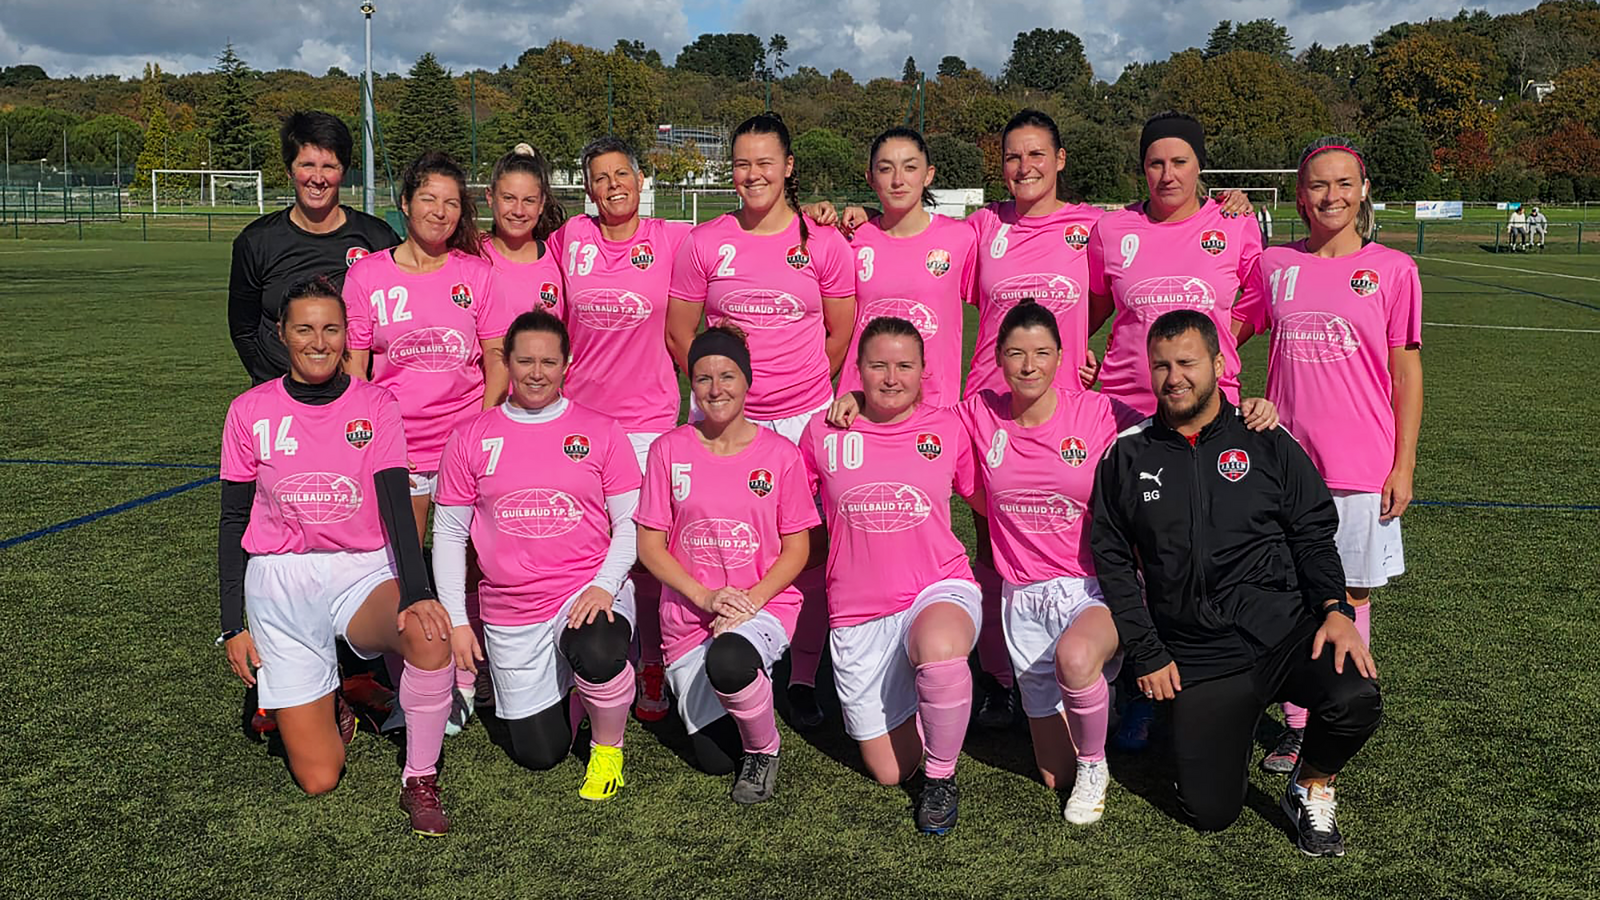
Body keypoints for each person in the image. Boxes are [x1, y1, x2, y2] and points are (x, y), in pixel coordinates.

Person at [1091, 309, 1383, 858]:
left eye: (1187, 363)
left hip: (1282, 632)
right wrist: (1147, 651)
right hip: (1200, 652)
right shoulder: (1128, 454)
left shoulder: (1265, 438)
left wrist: (1335, 609)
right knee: (1211, 812)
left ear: (1219, 364)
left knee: (1356, 694)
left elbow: (1313, 532)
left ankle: (1310, 782)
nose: (1174, 378)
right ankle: (1219, 729)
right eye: (1161, 365)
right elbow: (1112, 560)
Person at [217, 276, 456, 835]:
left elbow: (395, 502)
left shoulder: (377, 404)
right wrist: (232, 624)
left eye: (331, 329)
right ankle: (334, 697)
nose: (318, 341)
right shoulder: (249, 411)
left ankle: (419, 778)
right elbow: (232, 521)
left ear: (348, 335)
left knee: (429, 634)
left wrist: (419, 592)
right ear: (282, 334)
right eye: (304, 329)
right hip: (281, 582)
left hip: (359, 570)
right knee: (320, 777)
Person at [1235, 138, 1421, 776]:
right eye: (1318, 184)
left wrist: (1403, 465)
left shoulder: (1394, 269)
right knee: (1289, 593)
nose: (1331, 196)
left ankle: (1333, 722)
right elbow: (1225, 338)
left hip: (1363, 466)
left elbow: (1406, 372)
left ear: (1363, 190)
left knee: (1350, 595)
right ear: (1299, 195)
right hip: (1285, 466)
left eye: (1344, 183)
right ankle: (1296, 727)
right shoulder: (1274, 264)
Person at [666, 113, 855, 730]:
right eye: (742, 163)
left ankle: (800, 674)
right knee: (713, 537)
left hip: (802, 418)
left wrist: (795, 389)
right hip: (723, 419)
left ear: (788, 167)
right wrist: (724, 398)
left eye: (764, 162)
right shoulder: (704, 241)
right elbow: (680, 334)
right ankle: (714, 649)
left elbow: (839, 332)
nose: (752, 174)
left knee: (811, 547)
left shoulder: (823, 242)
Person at [431, 310, 642, 800]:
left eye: (548, 362)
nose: (537, 373)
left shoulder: (602, 431)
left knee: (597, 648)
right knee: (540, 754)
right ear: (506, 362)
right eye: (525, 361)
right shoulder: (470, 437)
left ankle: (607, 747)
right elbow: (448, 534)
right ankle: (576, 690)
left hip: (583, 591)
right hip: (512, 608)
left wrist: (604, 585)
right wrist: (459, 621)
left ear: (567, 364)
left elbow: (631, 524)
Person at [799, 317, 983, 834]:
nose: (891, 377)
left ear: (924, 371)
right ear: (857, 370)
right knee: (890, 771)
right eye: (878, 365)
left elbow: (988, 499)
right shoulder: (824, 431)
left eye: (904, 365)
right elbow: (789, 513)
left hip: (937, 586)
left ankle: (942, 778)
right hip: (858, 611)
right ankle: (938, 707)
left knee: (940, 649)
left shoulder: (948, 427)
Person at [635, 328, 818, 803]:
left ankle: (763, 749)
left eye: (728, 376)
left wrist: (747, 604)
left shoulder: (780, 455)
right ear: (691, 385)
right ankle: (749, 691)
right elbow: (650, 546)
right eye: (703, 378)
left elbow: (798, 549)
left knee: (730, 659)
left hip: (760, 606)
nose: (716, 389)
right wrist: (705, 597)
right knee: (714, 758)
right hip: (689, 615)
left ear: (747, 380)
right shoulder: (668, 450)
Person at [554, 135, 696, 723]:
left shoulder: (673, 238)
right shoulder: (571, 237)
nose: (612, 186)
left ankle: (653, 659)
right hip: (579, 421)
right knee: (582, 541)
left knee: (646, 546)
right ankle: (591, 653)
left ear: (640, 181)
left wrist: (827, 214)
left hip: (648, 422)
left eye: (622, 175)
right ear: (588, 189)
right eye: (600, 177)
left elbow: (747, 237)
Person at [1086, 111, 1266, 417]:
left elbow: (1261, 297)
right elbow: (1094, 306)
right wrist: (1069, 351)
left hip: (1210, 405)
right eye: (1156, 163)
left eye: (1180, 162)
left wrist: (1218, 342)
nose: (1168, 175)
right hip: (1126, 408)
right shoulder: (1110, 229)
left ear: (1199, 164)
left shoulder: (1233, 222)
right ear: (1144, 168)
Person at [228, 111, 398, 385]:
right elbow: (244, 330)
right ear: (289, 170)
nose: (317, 178)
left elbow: (397, 325)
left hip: (355, 398)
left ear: (343, 172)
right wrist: (275, 387)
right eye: (307, 165)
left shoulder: (378, 239)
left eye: (329, 166)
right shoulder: (257, 241)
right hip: (282, 396)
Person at [834, 127, 978, 409]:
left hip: (933, 406)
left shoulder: (961, 238)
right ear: (870, 177)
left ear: (928, 174)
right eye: (885, 169)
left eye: (910, 168)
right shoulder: (849, 239)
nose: (898, 180)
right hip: (860, 403)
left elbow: (997, 310)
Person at [481, 143, 568, 320]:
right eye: (508, 198)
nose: (518, 211)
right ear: (490, 197)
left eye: (529, 200)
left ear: (541, 203)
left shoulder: (559, 260)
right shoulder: (471, 253)